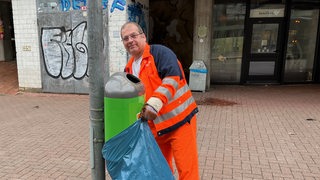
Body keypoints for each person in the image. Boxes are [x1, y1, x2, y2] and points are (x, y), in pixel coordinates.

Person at [120, 22, 199, 180]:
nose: (130, 40)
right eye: (125, 38)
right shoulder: (128, 69)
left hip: (180, 121)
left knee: (187, 171)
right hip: (156, 128)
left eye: (134, 36)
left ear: (143, 36)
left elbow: (172, 78)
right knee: (161, 170)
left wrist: (154, 103)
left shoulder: (160, 53)